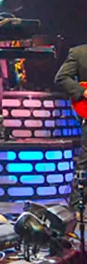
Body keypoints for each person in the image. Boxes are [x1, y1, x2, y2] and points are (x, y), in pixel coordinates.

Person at [55, 44, 87, 207]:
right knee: (85, 161)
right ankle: (76, 205)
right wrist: (83, 92)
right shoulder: (79, 53)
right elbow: (62, 78)